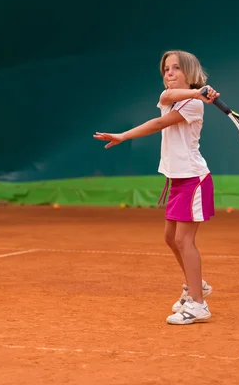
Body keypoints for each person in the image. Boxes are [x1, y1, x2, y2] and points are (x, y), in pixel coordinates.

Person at [93, 50, 219, 325]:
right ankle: (196, 284)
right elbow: (166, 99)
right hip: (177, 180)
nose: (169, 73)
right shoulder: (174, 98)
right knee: (169, 238)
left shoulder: (194, 105)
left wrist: (124, 136)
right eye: (166, 69)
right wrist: (198, 93)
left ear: (191, 72)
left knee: (185, 241)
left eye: (176, 68)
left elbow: (161, 123)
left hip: (193, 179)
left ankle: (198, 304)